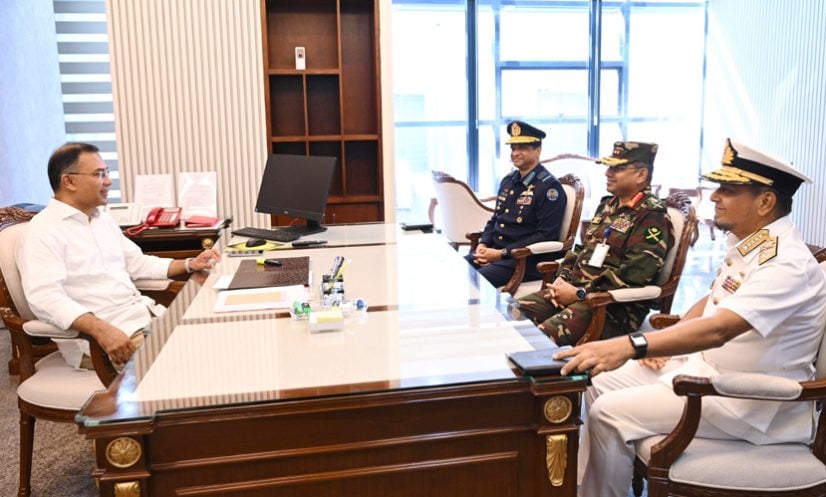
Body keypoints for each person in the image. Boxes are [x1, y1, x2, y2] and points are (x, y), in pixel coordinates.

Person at [556, 138, 826, 497]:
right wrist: (668, 343)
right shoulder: (754, 245)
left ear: (765, 202)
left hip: (749, 402)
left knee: (609, 412)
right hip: (706, 371)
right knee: (601, 381)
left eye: (728, 190)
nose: (714, 197)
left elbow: (720, 329)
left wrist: (635, 344)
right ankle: (592, 489)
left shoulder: (786, 264)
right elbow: (714, 299)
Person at [16, 142, 222, 368]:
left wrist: (190, 263)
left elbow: (138, 264)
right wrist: (101, 330)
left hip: (146, 318)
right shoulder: (43, 231)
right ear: (69, 181)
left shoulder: (102, 220)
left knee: (220, 336)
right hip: (105, 342)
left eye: (107, 172)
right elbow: (45, 299)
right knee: (202, 361)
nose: (108, 181)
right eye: (99, 174)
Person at [514, 141, 672, 346]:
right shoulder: (608, 205)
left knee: (540, 339)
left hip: (612, 307)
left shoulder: (651, 216)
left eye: (618, 168)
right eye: (609, 167)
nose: (608, 173)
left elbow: (634, 275)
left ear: (641, 175)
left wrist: (580, 294)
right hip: (576, 291)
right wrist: (562, 278)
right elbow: (583, 248)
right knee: (513, 314)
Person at [465, 120, 567, 287]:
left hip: (525, 260)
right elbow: (496, 218)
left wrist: (501, 253)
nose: (515, 153)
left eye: (522, 148)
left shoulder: (549, 188)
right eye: (513, 148)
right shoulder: (508, 181)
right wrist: (483, 244)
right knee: (457, 269)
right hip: (497, 253)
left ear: (538, 150)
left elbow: (546, 235)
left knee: (474, 281)